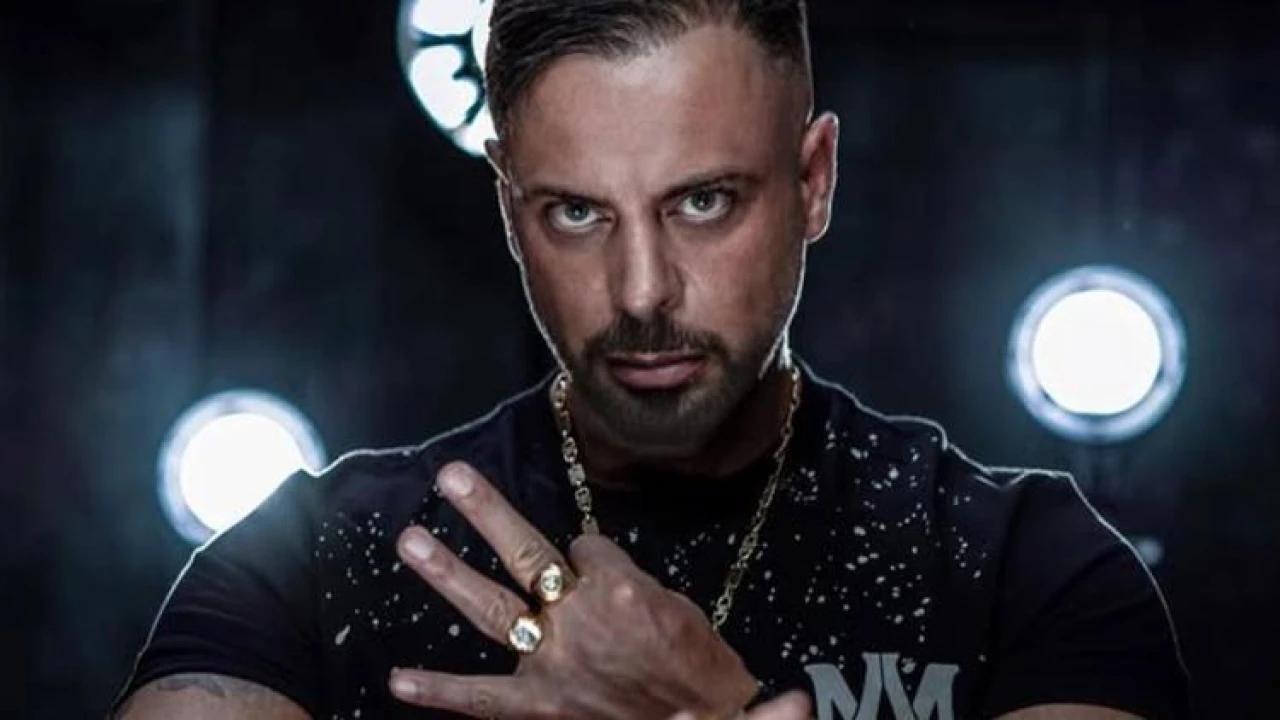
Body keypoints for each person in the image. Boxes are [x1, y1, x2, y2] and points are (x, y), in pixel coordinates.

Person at [112, 1, 1191, 718]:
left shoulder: (1025, 570)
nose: (640, 293)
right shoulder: (310, 564)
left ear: (813, 181)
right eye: (576, 212)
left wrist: (708, 713)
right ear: (508, 206)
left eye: (703, 202)